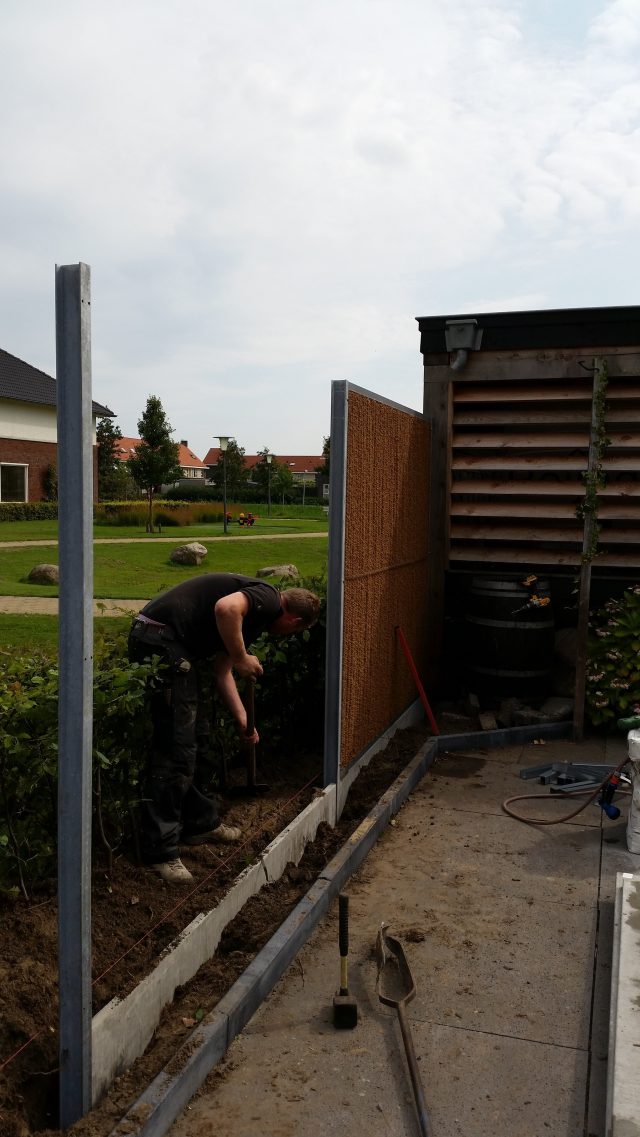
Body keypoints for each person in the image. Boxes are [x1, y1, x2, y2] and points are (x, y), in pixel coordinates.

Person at [128, 574, 320, 883]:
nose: (284, 636)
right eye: (293, 631)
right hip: (158, 638)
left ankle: (200, 823)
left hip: (171, 644)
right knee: (177, 747)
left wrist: (244, 719)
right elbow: (226, 608)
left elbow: (222, 671)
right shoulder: (269, 599)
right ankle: (159, 852)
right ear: (295, 620)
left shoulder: (256, 616)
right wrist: (243, 656)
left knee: (197, 736)